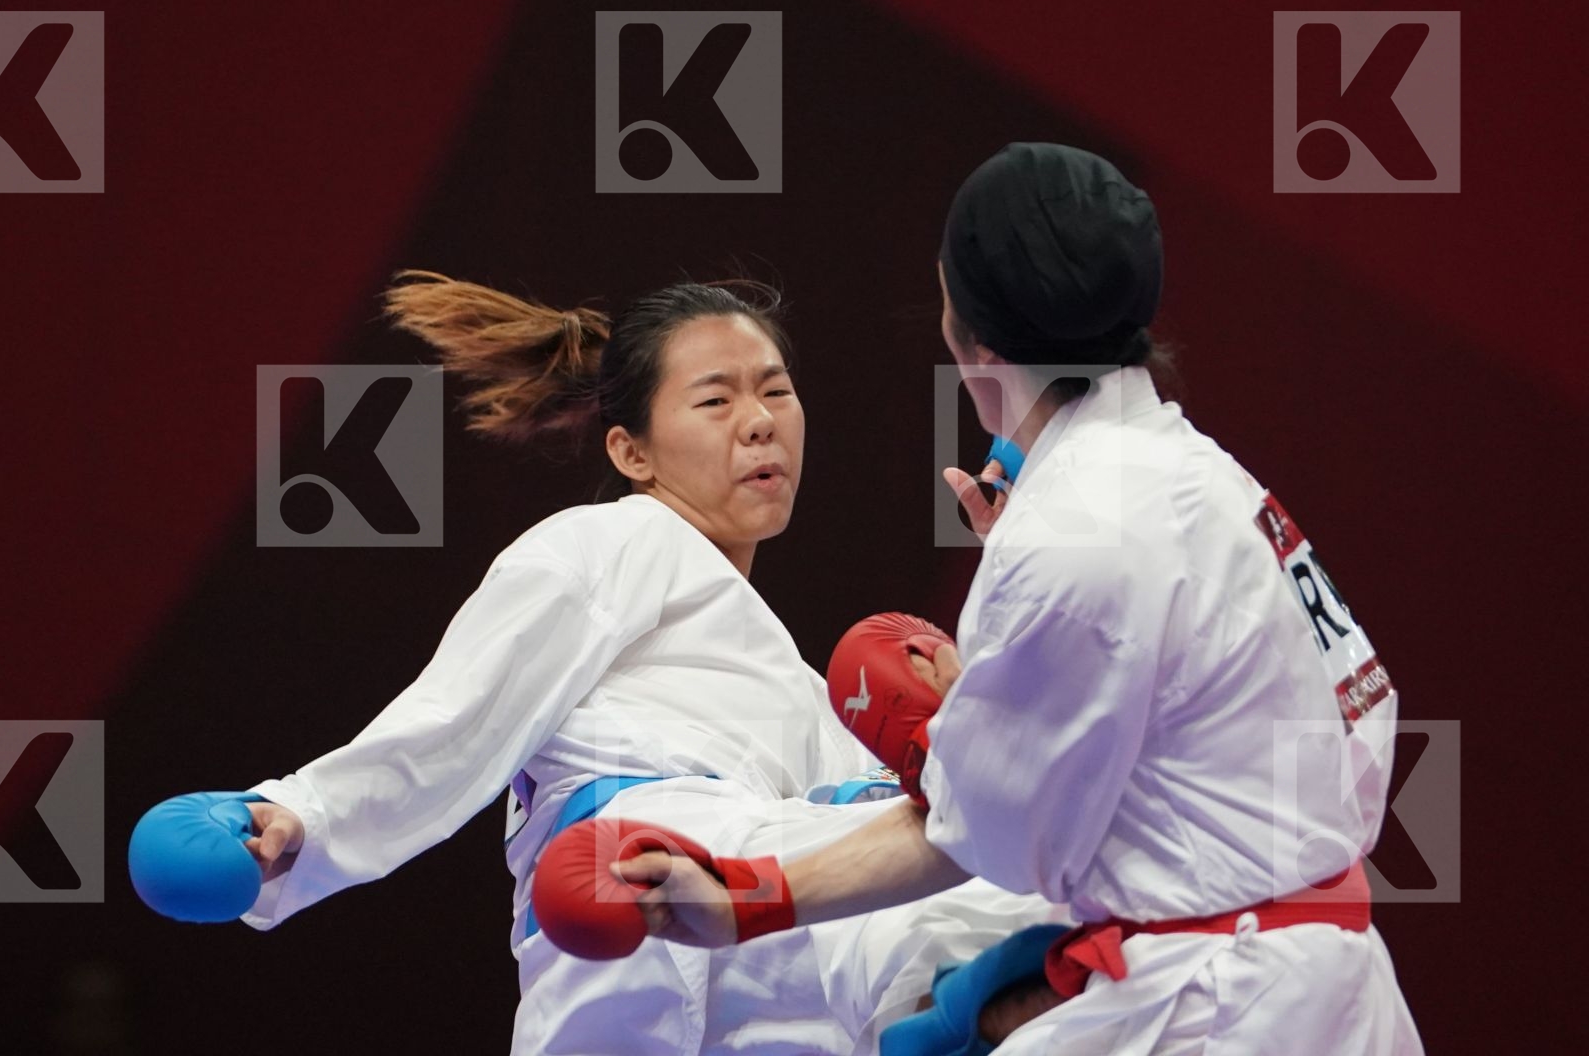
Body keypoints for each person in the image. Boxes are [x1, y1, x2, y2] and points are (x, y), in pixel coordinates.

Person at [592, 144, 1425, 1053]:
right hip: (1325, 982)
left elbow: (975, 836)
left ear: (968, 332)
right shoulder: (1206, 475)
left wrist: (747, 897)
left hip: (1218, 1009)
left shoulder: (1075, 532)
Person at [128, 270, 1057, 1055]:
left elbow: (917, 829)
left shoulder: (802, 692)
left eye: (775, 390)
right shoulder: (607, 541)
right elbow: (459, 718)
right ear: (631, 452)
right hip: (638, 869)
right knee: (988, 924)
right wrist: (303, 813)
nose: (759, 421)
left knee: (972, 874)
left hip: (717, 959)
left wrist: (1026, 592)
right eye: (716, 398)